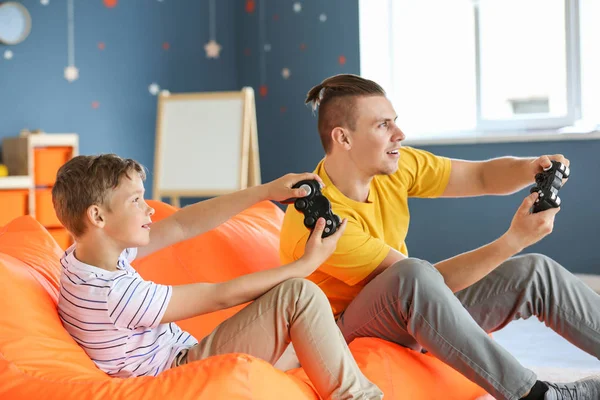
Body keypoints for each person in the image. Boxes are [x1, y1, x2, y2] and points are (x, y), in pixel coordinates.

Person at [279, 74, 600, 400]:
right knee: (411, 274)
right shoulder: (319, 222)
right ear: (343, 138)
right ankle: (534, 395)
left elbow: (480, 176)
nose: (399, 135)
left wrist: (531, 167)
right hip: (341, 333)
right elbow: (420, 286)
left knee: (535, 272)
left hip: (412, 309)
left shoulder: (393, 167)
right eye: (383, 125)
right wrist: (512, 240)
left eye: (396, 123)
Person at [52, 154, 383, 400]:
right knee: (300, 295)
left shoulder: (84, 259)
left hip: (182, 360)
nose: (149, 208)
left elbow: (184, 224)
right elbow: (219, 295)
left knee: (313, 330)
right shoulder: (114, 295)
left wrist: (264, 191)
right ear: (97, 216)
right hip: (181, 377)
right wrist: (304, 266)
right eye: (136, 200)